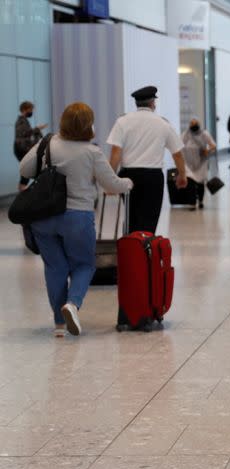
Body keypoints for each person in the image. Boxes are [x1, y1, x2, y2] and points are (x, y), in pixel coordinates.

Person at [19, 103, 133, 337]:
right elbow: (111, 184)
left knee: (55, 267)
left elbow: (25, 168)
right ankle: (72, 303)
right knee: (84, 265)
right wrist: (128, 183)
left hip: (43, 217)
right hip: (77, 217)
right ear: (88, 126)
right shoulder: (91, 152)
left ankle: (59, 324)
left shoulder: (47, 143)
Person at [107, 86, 187, 234]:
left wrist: (110, 181)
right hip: (152, 178)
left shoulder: (122, 122)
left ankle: (132, 252)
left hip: (128, 176)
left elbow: (116, 152)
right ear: (153, 103)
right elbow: (177, 154)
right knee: (149, 220)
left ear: (136, 103)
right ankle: (146, 252)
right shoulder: (163, 123)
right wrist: (182, 175)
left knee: (132, 219)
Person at [181, 118, 216, 210]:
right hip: (189, 162)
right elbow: (180, 143)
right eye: (191, 124)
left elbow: (213, 145)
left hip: (201, 161)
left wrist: (207, 150)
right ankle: (192, 203)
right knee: (190, 182)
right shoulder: (186, 133)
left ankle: (200, 201)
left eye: (194, 124)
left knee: (200, 182)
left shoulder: (204, 134)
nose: (193, 126)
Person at [14, 101, 47, 190]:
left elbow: (27, 133)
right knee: (27, 169)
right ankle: (22, 192)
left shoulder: (23, 120)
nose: (31, 111)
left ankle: (22, 190)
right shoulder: (21, 121)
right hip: (21, 149)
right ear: (25, 109)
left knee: (26, 171)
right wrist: (37, 129)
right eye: (30, 109)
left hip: (22, 148)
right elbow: (24, 133)